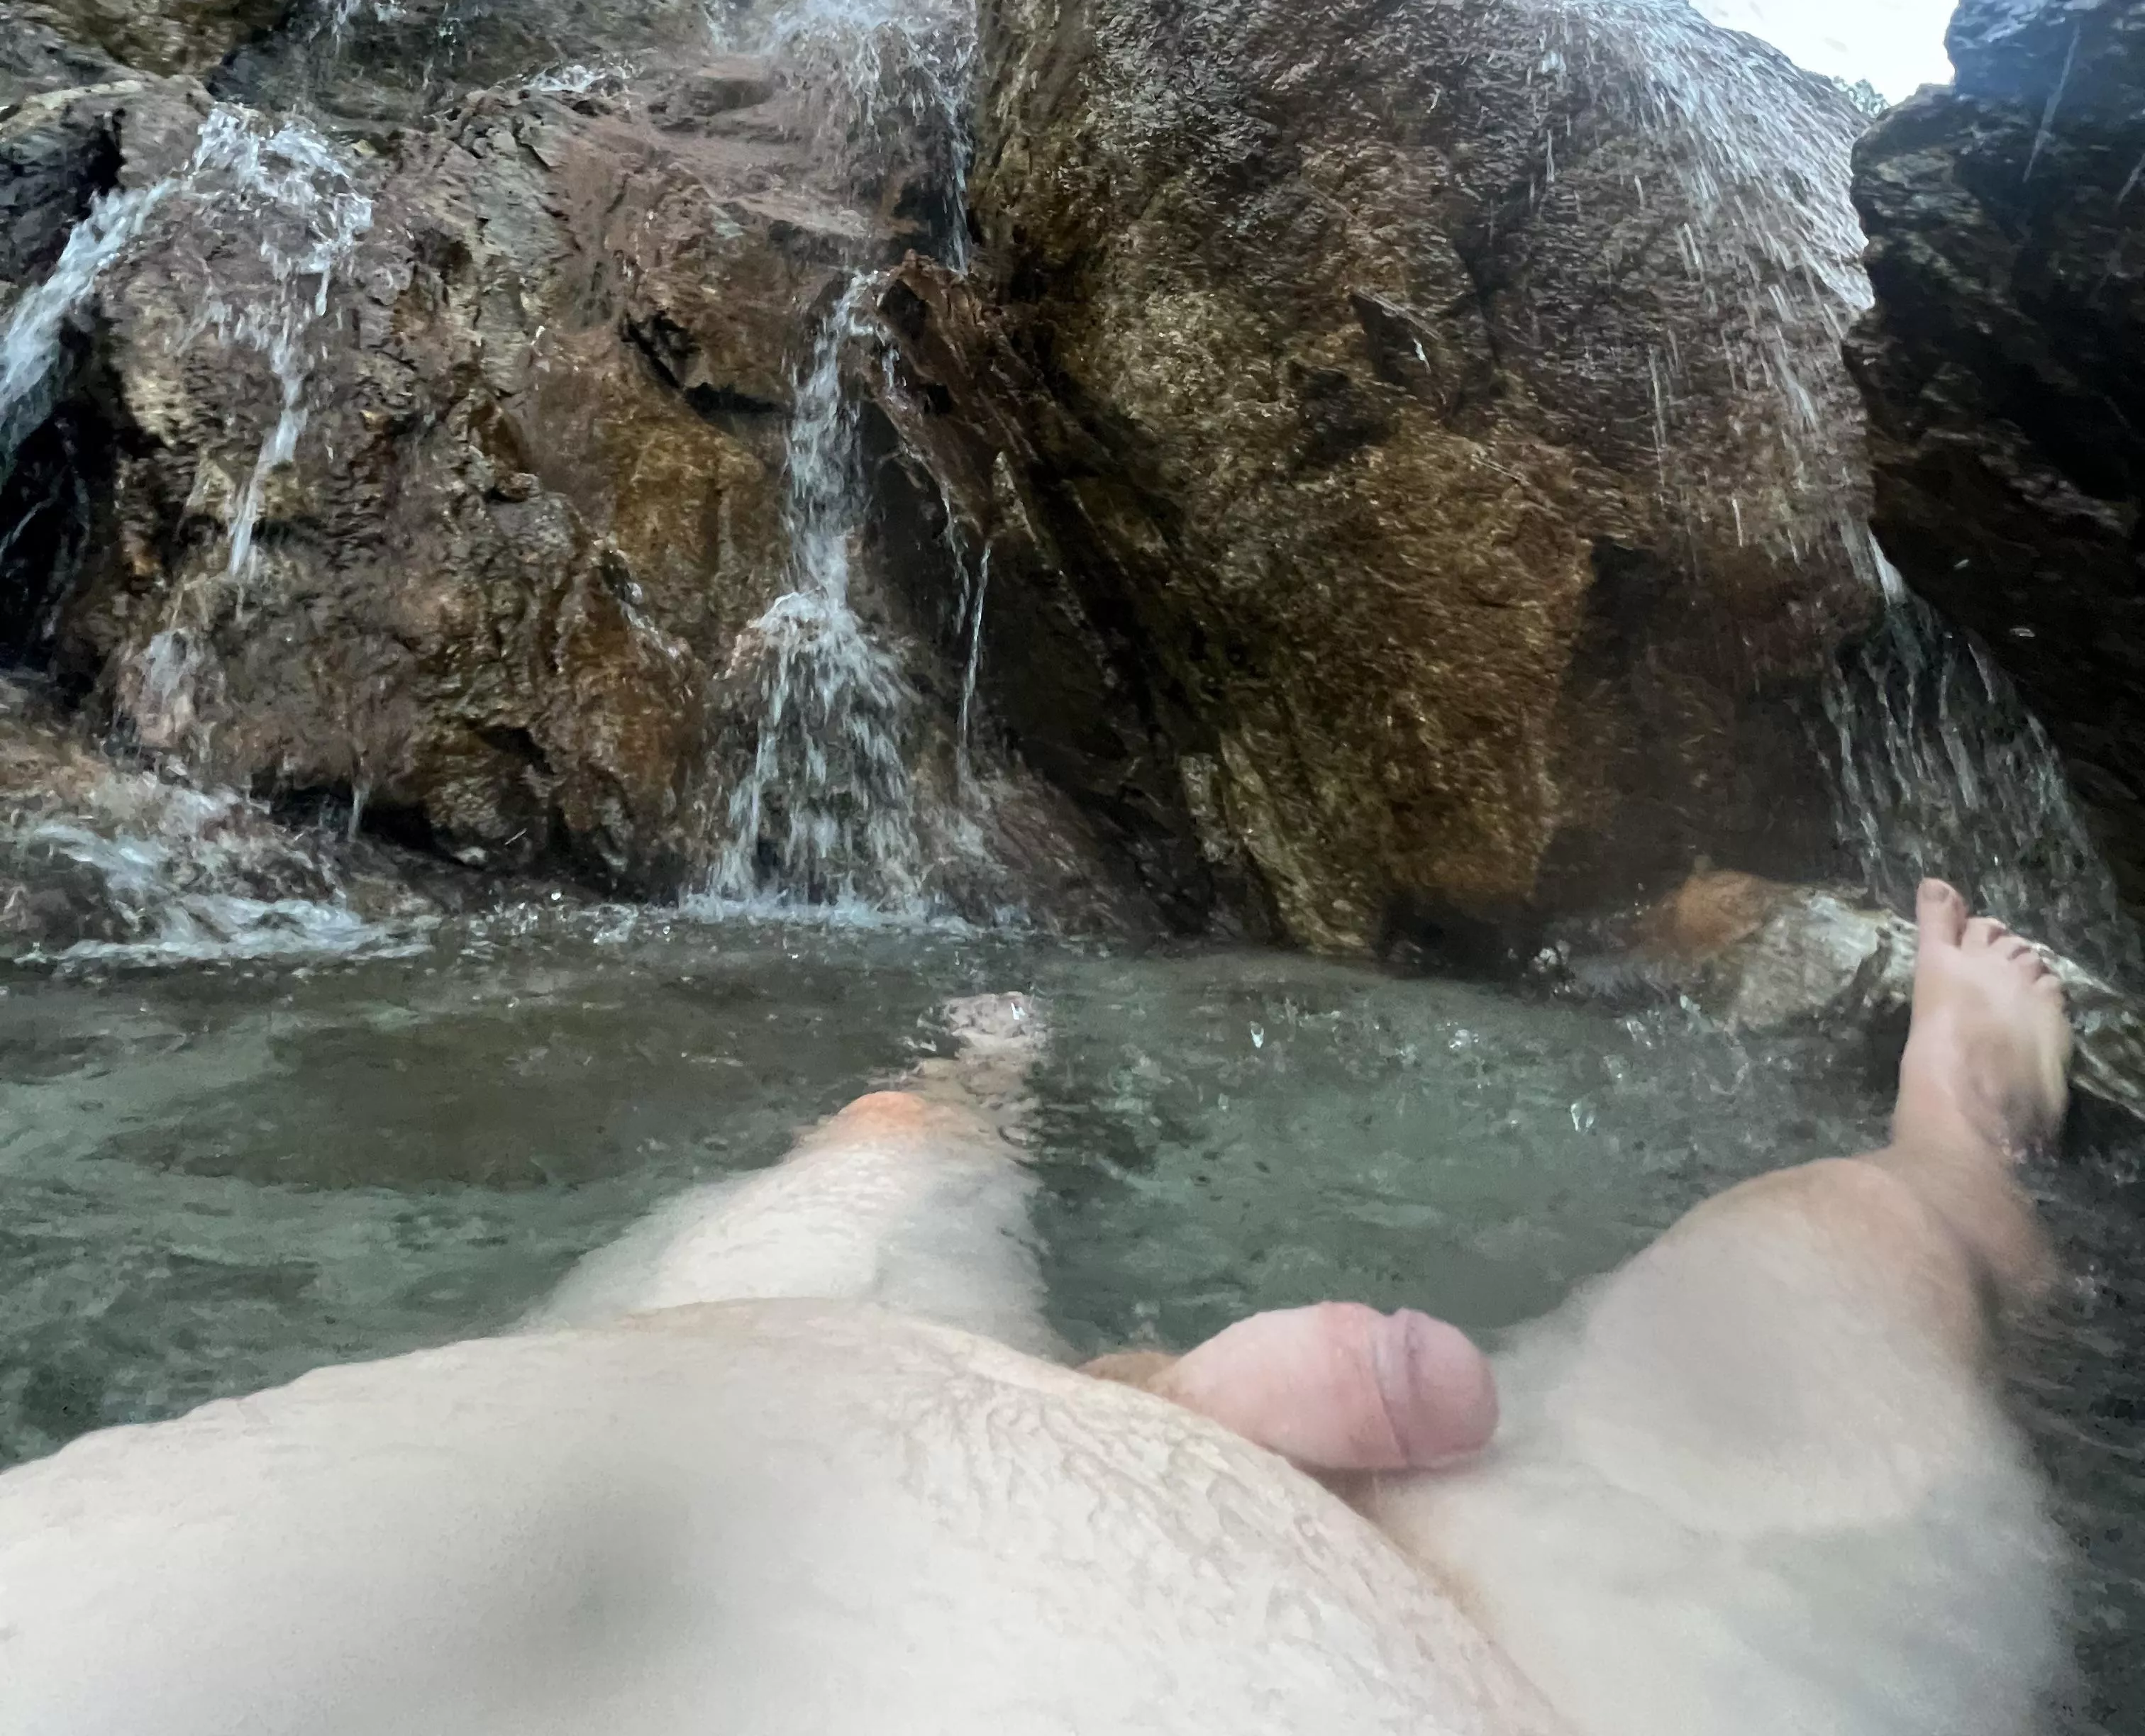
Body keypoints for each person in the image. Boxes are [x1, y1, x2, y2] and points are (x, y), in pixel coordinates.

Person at [0, 882, 2071, 1736]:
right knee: (1820, 1255)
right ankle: (1955, 1134)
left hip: (661, 1418)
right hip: (1471, 1668)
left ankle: (992, 1099)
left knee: (888, 1143)